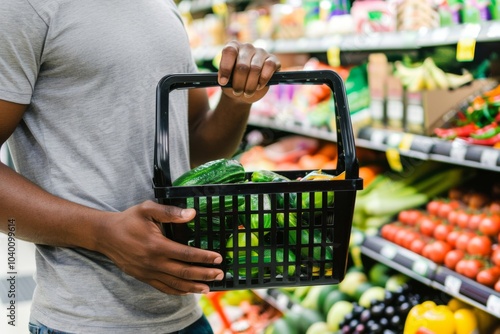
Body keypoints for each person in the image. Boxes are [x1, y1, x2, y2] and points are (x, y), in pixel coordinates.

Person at [0, 1, 281, 333]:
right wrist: (102, 233)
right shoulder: (25, 8)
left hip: (186, 316)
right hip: (84, 322)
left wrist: (236, 98)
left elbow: (195, 148)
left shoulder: (162, 7)